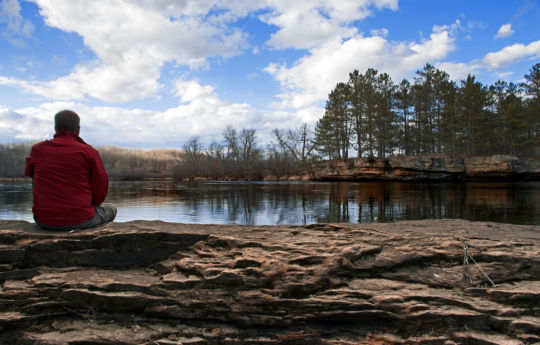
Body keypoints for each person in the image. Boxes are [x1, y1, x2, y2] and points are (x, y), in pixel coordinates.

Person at [25, 110, 117, 230]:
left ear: (55, 128)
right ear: (78, 129)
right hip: (81, 220)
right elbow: (100, 188)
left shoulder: (37, 149)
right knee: (112, 209)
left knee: (35, 173)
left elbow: (29, 173)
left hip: (43, 220)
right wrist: (90, 206)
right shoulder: (89, 152)